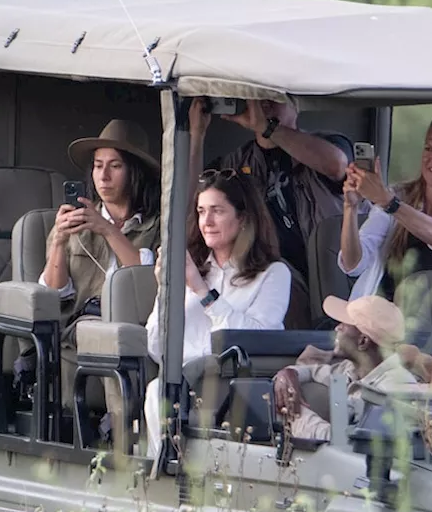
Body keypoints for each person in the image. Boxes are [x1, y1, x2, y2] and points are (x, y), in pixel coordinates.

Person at [142, 169, 293, 456]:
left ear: (243, 218)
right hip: (183, 382)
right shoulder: (191, 268)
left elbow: (258, 340)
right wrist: (165, 289)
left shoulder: (273, 274)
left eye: (217, 211)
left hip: (235, 386)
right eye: (201, 211)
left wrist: (203, 292)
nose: (206, 222)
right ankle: (163, 478)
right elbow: (155, 348)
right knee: (157, 390)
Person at [36, 119, 162, 427]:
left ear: (134, 172)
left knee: (122, 335)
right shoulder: (73, 224)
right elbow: (53, 292)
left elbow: (146, 280)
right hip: (84, 321)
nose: (103, 176)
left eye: (115, 166)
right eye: (97, 165)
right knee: (107, 335)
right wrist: (59, 242)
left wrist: (106, 229)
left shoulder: (156, 224)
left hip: (141, 323)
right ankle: (118, 428)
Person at [188, 95, 352, 279]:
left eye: (274, 96)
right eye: (256, 96)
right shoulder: (236, 161)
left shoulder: (326, 143)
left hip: (324, 272)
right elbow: (193, 199)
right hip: (262, 273)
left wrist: (267, 127)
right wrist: (197, 135)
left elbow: (336, 165)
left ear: (296, 104)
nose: (264, 102)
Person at [339, 111, 432, 301]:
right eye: (429, 149)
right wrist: (350, 208)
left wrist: (388, 201)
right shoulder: (399, 195)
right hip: (379, 317)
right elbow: (353, 264)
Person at [272, 295, 432, 442]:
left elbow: (346, 445)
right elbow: (312, 371)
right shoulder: (352, 369)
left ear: (363, 341)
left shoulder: (393, 388)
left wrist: (294, 414)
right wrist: (287, 374)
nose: (337, 328)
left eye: (344, 325)